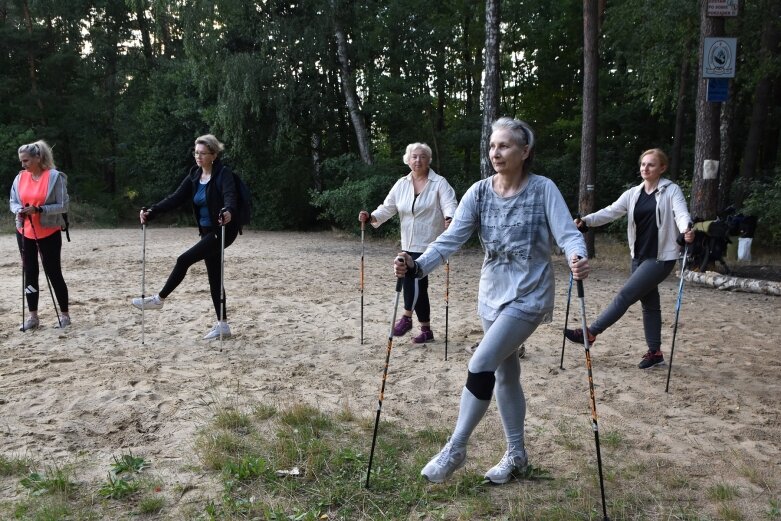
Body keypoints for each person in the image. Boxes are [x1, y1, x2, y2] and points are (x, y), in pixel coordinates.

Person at [393, 118, 589, 484]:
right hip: (492, 295)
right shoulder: (480, 192)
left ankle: (456, 447)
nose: (496, 153)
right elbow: (451, 239)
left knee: (481, 361)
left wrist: (578, 257)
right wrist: (418, 266)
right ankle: (517, 456)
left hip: (529, 294)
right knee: (505, 373)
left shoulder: (543, 189)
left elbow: (568, 235)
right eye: (492, 147)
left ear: (525, 151)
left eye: (505, 146)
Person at [565, 148, 694, 369]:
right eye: (643, 164)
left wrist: (685, 230)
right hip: (639, 257)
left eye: (651, 164)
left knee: (625, 294)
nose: (645, 168)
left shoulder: (671, 190)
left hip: (661, 258)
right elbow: (611, 211)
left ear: (662, 168)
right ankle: (655, 353)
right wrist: (586, 221)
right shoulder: (634, 193)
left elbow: (681, 213)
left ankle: (591, 332)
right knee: (650, 306)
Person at [131, 134, 239, 340]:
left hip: (223, 230)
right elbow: (175, 198)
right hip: (207, 232)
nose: (198, 157)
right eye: (196, 152)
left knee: (184, 259)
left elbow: (230, 196)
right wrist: (151, 212)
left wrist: (228, 211)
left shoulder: (224, 174)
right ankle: (222, 325)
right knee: (215, 277)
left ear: (214, 155)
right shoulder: (194, 176)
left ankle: (159, 299)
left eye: (203, 153)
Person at [359, 142, 457, 344]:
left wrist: (450, 218)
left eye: (422, 156)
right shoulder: (402, 183)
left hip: (431, 245)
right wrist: (371, 217)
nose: (418, 160)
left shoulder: (439, 183)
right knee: (419, 285)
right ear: (408, 160)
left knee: (411, 277)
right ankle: (426, 330)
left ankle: (406, 317)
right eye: (414, 156)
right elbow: (388, 207)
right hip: (409, 242)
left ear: (429, 160)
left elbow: (450, 204)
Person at [10, 140, 71, 331]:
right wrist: (19, 209)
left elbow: (63, 205)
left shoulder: (54, 177)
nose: (23, 165)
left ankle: (64, 315)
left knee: (53, 272)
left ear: (38, 158)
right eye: (21, 161)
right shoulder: (20, 178)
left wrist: (39, 209)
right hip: (24, 232)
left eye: (26, 161)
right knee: (30, 272)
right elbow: (12, 201)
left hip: (48, 232)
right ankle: (33, 317)